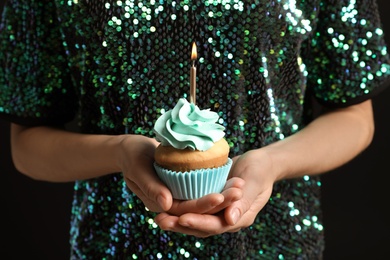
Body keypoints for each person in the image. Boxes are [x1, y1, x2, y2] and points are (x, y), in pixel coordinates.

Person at [1, 0, 389, 259]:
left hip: (276, 243)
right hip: (112, 243)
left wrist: (271, 163)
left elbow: (355, 116)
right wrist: (120, 152)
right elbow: (27, 145)